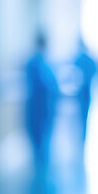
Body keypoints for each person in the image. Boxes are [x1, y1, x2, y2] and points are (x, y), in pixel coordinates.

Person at [24, 33, 59, 170]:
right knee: (40, 137)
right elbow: (50, 85)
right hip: (41, 107)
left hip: (38, 107)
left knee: (39, 137)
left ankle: (40, 161)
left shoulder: (34, 63)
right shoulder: (43, 64)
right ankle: (40, 161)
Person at [73, 43, 98, 141]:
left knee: (81, 112)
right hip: (86, 90)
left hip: (81, 91)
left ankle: (80, 133)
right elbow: (94, 72)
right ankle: (83, 132)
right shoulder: (88, 60)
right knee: (84, 112)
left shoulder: (79, 59)